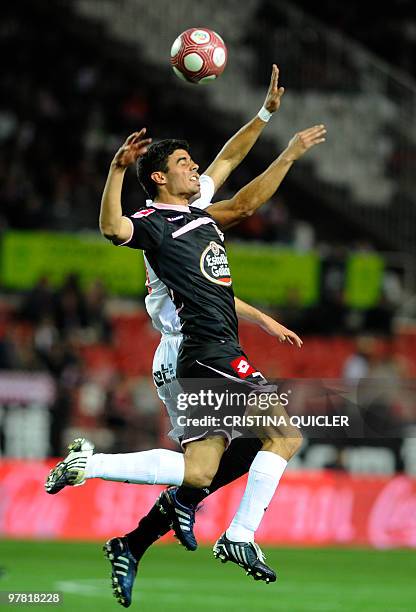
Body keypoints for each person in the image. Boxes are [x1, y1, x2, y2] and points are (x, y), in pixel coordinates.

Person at [45, 67, 326, 604]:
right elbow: (120, 228)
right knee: (280, 436)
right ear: (158, 178)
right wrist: (287, 153)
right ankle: (237, 535)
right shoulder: (157, 222)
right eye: (183, 163)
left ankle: (106, 491)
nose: (197, 168)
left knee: (207, 470)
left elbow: (228, 158)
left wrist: (264, 114)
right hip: (189, 347)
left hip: (200, 343)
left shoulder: (192, 209)